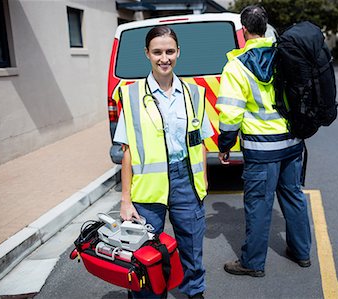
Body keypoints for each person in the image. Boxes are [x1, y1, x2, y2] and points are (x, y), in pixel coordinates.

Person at [114, 25, 213, 299]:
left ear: (178, 52)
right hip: (147, 187)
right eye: (157, 52)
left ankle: (195, 292)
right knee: (144, 253)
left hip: (187, 183)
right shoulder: (132, 96)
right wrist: (125, 198)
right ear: (147, 54)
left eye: (169, 51)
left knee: (192, 248)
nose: (164, 58)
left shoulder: (195, 95)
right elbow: (128, 151)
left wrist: (202, 179)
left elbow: (200, 141)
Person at [216, 5, 312, 277]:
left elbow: (231, 114)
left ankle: (253, 263)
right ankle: (302, 253)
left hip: (261, 149)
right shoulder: (283, 55)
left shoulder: (236, 66)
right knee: (294, 197)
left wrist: (225, 146)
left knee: (259, 205)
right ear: (265, 26)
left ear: (243, 30)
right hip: (292, 144)